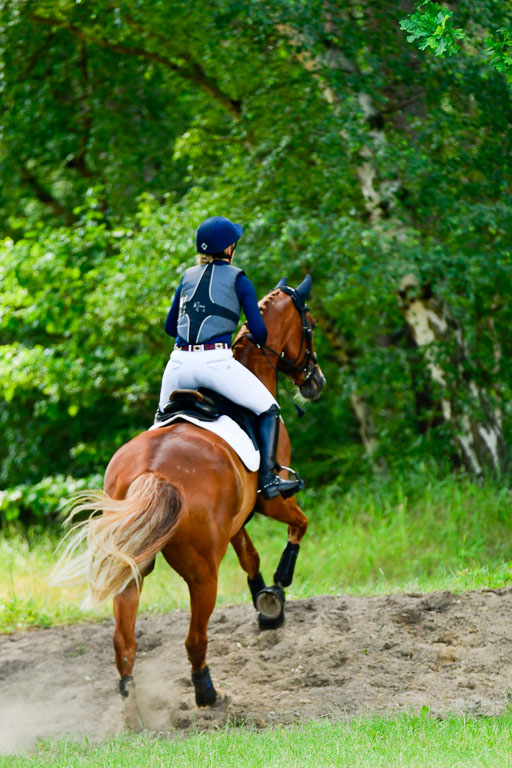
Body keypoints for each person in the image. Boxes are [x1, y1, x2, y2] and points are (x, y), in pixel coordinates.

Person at [158, 215, 302, 499]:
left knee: (160, 422)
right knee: (269, 408)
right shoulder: (239, 279)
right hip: (215, 364)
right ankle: (268, 481)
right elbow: (260, 334)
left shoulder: (186, 277)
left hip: (176, 366)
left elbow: (169, 327)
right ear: (228, 249)